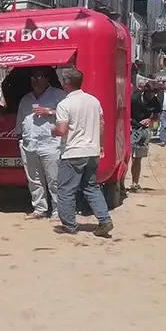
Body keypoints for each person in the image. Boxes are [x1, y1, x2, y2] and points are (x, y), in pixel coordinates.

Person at [51, 67, 113, 237]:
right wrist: (99, 145)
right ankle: (104, 219)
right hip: (92, 150)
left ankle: (70, 225)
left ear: (66, 83)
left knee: (66, 190)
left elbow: (62, 129)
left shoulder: (65, 104)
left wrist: (53, 130)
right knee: (91, 187)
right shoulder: (93, 100)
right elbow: (101, 124)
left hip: (73, 151)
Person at [16, 67, 66, 219]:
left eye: (39, 77)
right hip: (29, 144)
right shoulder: (26, 99)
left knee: (55, 179)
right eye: (33, 78)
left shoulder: (59, 95)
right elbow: (20, 119)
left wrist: (49, 112)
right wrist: (19, 138)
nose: (36, 81)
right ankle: (39, 209)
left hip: (51, 144)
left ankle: (58, 210)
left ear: (48, 79)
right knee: (34, 180)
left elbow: (69, 115)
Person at [129, 81, 158, 192]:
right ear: (145, 91)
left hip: (142, 131)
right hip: (131, 128)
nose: (151, 96)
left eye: (154, 94)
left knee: (137, 158)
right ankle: (121, 184)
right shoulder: (134, 99)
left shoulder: (155, 101)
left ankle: (135, 183)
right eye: (150, 93)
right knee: (127, 157)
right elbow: (125, 113)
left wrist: (150, 120)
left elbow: (156, 116)